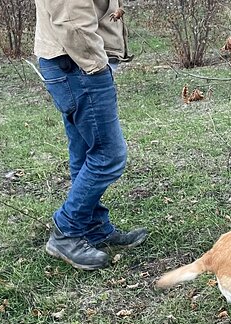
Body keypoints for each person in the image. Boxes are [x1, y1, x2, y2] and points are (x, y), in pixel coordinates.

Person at [33, 0, 147, 270]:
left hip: (70, 61)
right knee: (109, 155)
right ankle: (67, 230)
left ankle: (93, 227)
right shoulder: (86, 61)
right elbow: (72, 20)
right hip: (77, 63)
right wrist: (97, 66)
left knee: (85, 152)